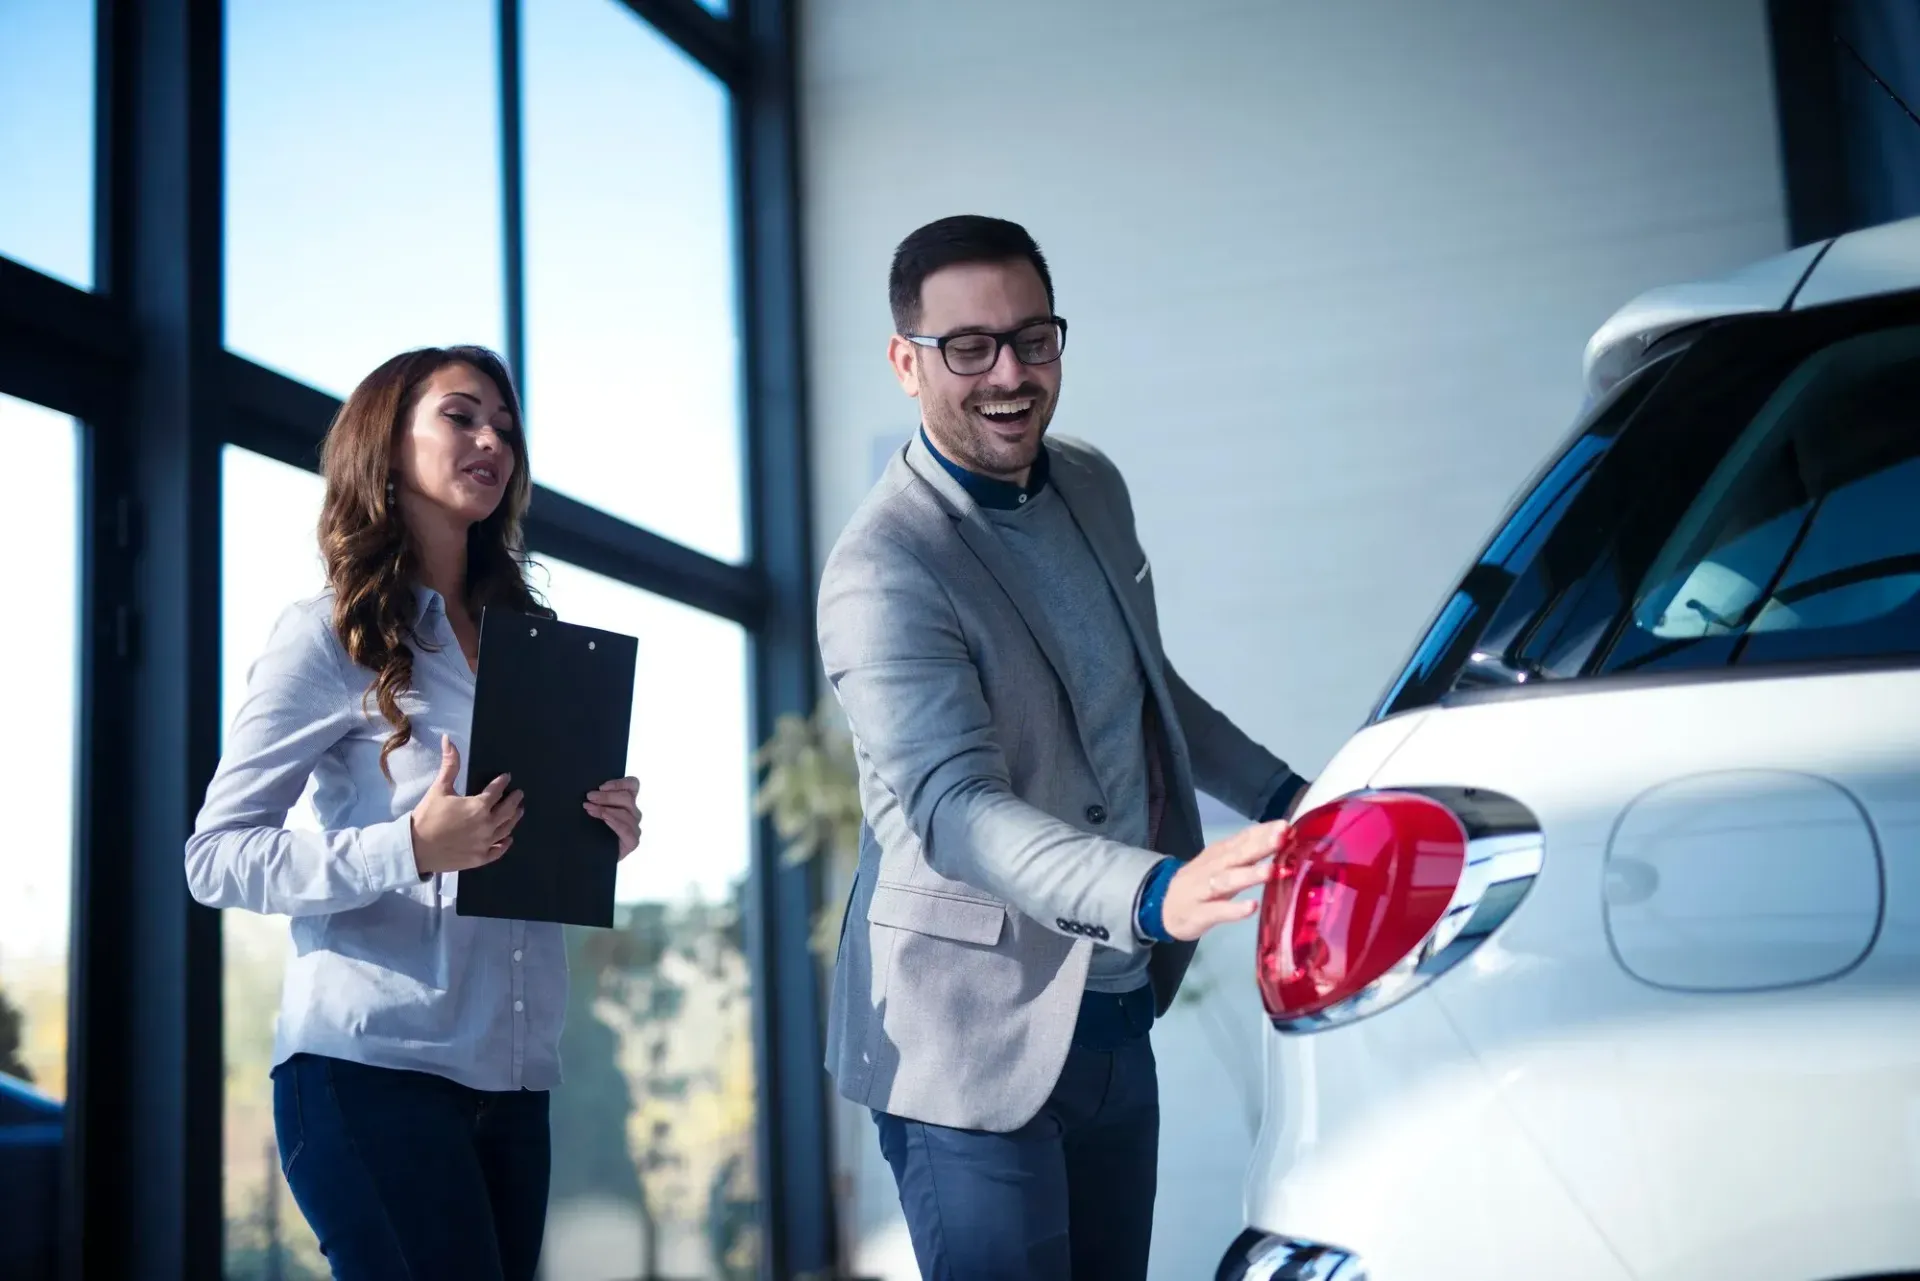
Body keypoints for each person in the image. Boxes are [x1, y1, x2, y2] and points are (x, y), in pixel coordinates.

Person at [816, 214, 1310, 1280]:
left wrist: (1299, 801)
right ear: (907, 363)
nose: (1009, 373)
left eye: (1032, 340)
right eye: (969, 347)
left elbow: (1150, 692)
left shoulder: (1090, 483)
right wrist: (1152, 890)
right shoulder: (883, 568)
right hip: (963, 1037)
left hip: (1114, 1007)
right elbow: (956, 808)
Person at [185, 345, 643, 1281]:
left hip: (514, 1080)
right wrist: (410, 848)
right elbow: (216, 857)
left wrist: (600, 827)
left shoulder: (537, 644)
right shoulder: (329, 633)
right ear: (387, 448)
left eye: (506, 429)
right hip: (368, 1073)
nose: (492, 441)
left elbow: (513, 842)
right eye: (462, 417)